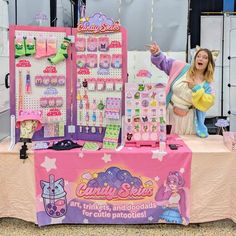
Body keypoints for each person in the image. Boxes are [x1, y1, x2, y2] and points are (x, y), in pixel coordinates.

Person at [149, 42, 216, 137]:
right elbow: (164, 62)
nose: (200, 59)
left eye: (205, 57)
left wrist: (196, 88)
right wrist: (157, 53)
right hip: (169, 115)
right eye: (198, 56)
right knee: (167, 144)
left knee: (186, 146)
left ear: (209, 63)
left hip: (188, 120)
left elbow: (208, 102)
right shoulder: (181, 67)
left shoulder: (207, 84)